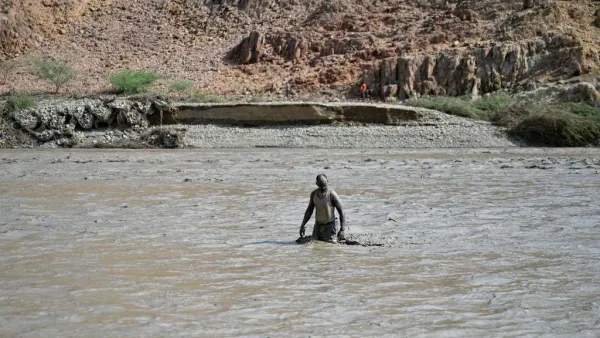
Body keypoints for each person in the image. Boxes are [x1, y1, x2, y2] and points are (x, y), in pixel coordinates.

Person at [299, 174, 346, 242]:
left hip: (330, 226)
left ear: (327, 181)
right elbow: (309, 210)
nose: (323, 188)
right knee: (314, 244)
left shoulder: (332, 194)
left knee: (331, 245)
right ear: (317, 184)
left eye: (325, 185)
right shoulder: (314, 194)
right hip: (318, 226)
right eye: (321, 186)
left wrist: (342, 230)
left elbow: (342, 211)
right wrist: (303, 225)